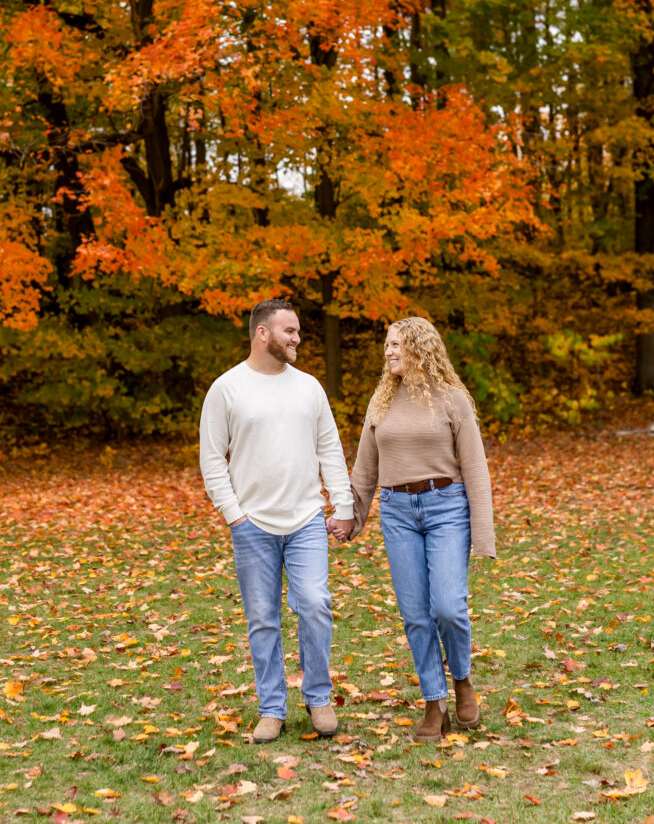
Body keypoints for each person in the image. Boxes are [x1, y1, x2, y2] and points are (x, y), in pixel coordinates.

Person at [199, 298, 356, 744]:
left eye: (299, 331)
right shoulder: (227, 388)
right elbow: (212, 458)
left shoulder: (309, 388)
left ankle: (318, 698)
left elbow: (329, 448)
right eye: (290, 331)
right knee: (263, 618)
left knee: (314, 603)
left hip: (306, 517)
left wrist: (341, 504)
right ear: (263, 333)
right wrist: (235, 516)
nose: (298, 338)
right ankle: (271, 708)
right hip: (253, 526)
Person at [338, 317, 496, 742]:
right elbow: (364, 469)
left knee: (448, 606)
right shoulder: (381, 401)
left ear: (421, 348)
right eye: (386, 344)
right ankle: (434, 701)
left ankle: (461, 679)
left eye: (396, 345)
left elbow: (476, 469)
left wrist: (484, 535)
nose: (388, 351)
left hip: (446, 508)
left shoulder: (452, 399)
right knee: (415, 615)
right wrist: (350, 516)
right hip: (397, 512)